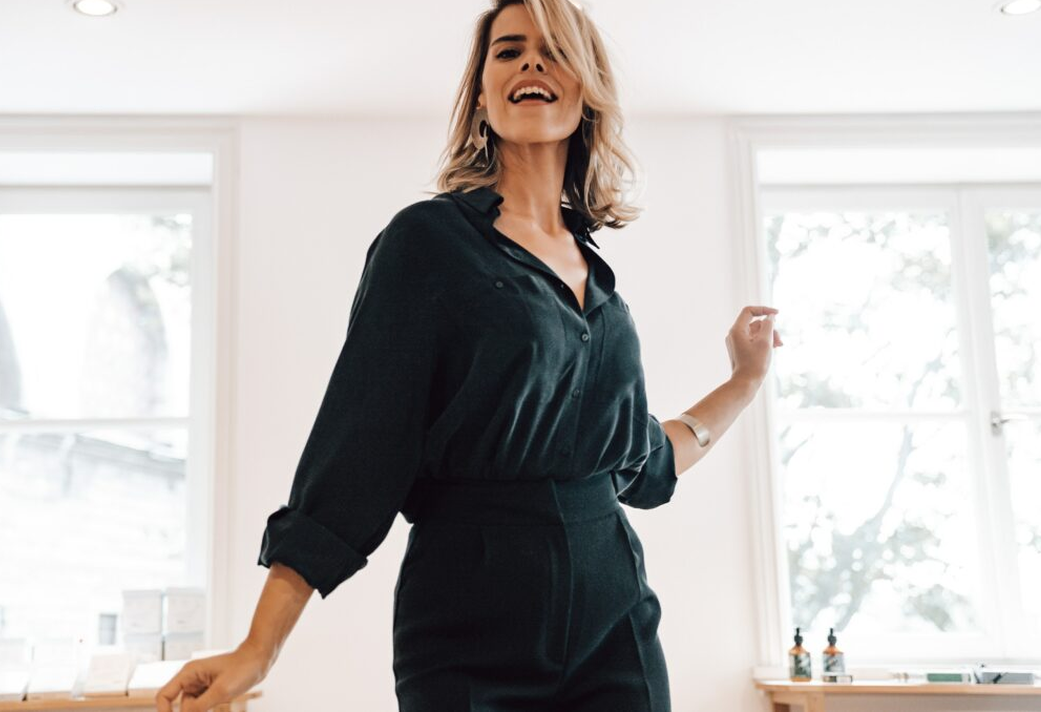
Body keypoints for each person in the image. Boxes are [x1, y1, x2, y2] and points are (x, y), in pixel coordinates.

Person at [156, 0, 781, 710]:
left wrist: (745, 380)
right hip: (468, 622)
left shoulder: (601, 285)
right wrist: (259, 648)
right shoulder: (429, 243)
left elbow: (644, 462)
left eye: (555, 50)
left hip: (616, 622)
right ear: (482, 95)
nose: (531, 62)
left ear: (587, 89)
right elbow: (356, 452)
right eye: (508, 51)